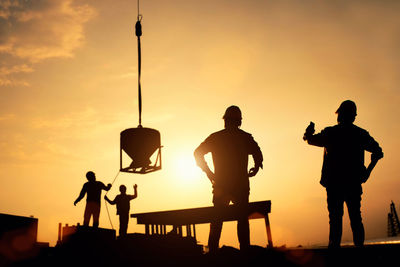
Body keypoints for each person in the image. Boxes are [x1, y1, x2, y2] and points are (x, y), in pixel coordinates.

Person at [303, 100, 383, 248]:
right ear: (353, 116)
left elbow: (310, 140)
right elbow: (378, 152)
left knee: (335, 219)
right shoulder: (360, 134)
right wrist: (368, 171)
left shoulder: (331, 133)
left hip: (334, 184)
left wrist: (308, 132)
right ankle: (359, 251)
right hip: (353, 182)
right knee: (355, 218)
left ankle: (334, 254)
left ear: (340, 114)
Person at [194, 105, 263, 252]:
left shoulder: (216, 138)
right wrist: (256, 167)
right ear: (239, 121)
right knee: (242, 220)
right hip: (240, 186)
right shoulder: (245, 138)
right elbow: (258, 153)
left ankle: (213, 252)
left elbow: (197, 153)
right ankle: (244, 252)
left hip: (222, 185)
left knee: (217, 220)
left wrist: (209, 173)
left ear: (225, 120)